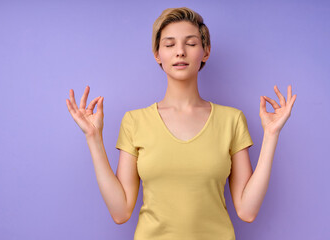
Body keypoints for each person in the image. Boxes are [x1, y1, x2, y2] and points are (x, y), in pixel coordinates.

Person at [66, 7, 297, 240]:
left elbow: (247, 211)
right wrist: (93, 138)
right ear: (157, 54)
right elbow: (120, 211)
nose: (180, 52)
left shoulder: (232, 120)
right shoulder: (134, 121)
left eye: (191, 43)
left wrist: (271, 135)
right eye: (169, 44)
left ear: (205, 52)